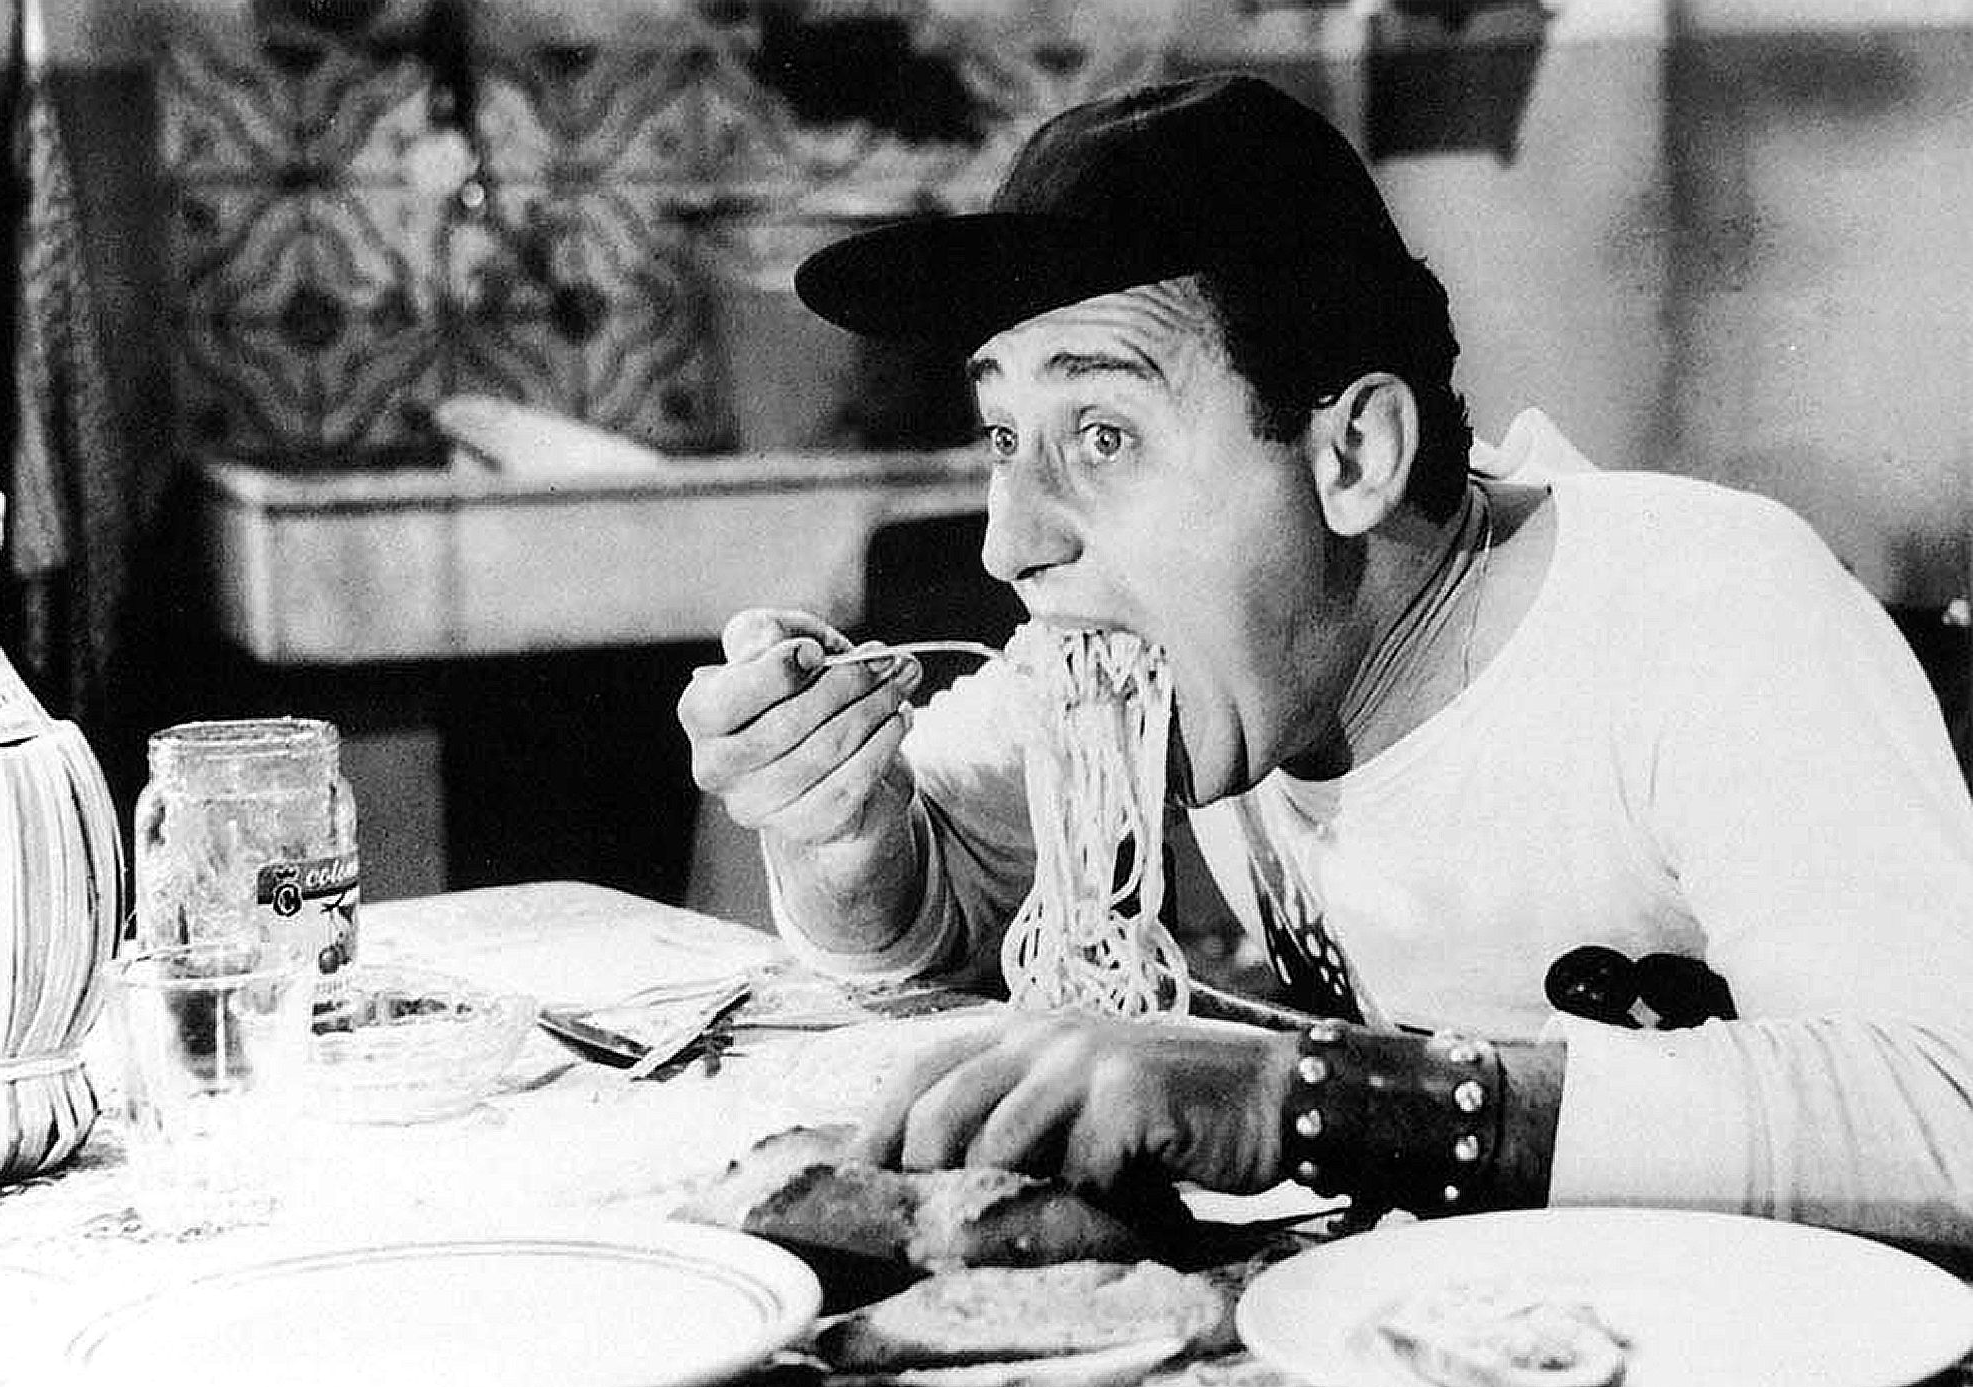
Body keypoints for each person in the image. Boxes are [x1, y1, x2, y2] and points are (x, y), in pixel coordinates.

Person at [678, 73, 1973, 1249]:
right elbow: (932, 892)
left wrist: (1297, 1097)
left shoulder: (1698, 610)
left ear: (1352, 456)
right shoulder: (1142, 667)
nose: (1011, 542)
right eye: (1006, 437)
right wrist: (847, 840)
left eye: (1105, 435)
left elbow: (1948, 1108)